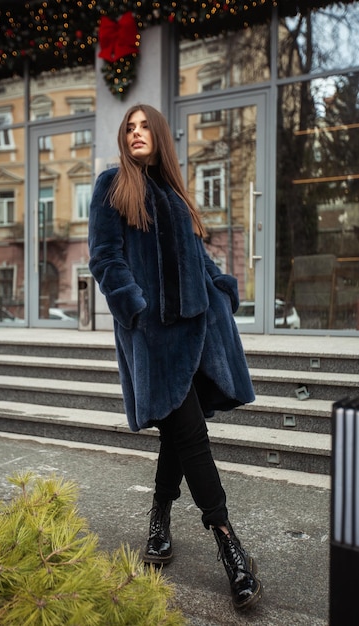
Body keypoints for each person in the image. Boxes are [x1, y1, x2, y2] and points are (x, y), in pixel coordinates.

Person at [88, 103, 262, 611]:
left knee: (178, 434)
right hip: (155, 339)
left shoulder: (174, 195)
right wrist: (136, 312)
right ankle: (228, 540)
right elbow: (104, 257)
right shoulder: (111, 186)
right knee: (191, 434)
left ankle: (160, 517)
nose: (136, 133)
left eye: (145, 126)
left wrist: (222, 291)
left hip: (199, 335)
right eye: (129, 127)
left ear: (160, 136)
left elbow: (198, 257)